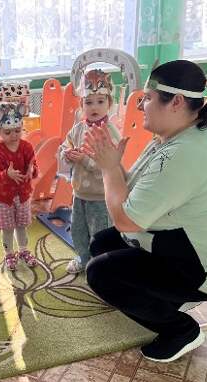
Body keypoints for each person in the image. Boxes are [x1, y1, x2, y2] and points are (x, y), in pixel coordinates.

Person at [83, 60, 207, 363]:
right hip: (180, 245)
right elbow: (131, 194)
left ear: (176, 102)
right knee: (101, 244)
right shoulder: (175, 137)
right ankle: (165, 300)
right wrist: (112, 164)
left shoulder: (185, 153)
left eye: (147, 98)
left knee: (100, 273)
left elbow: (125, 220)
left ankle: (181, 330)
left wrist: (108, 169)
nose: (141, 105)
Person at [57, 69, 121, 274]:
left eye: (100, 101)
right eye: (89, 102)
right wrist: (67, 154)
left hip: (100, 195)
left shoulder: (110, 133)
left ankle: (100, 262)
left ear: (109, 104)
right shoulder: (77, 129)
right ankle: (83, 257)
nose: (94, 107)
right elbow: (64, 147)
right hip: (79, 193)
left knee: (99, 232)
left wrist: (84, 160)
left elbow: (109, 165)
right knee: (78, 229)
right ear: (81, 105)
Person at [0, 102, 38, 271]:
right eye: (8, 132)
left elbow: (33, 166)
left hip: (23, 195)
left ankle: (23, 250)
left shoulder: (27, 146)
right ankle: (9, 253)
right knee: (7, 228)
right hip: (3, 197)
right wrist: (7, 174)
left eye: (17, 130)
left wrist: (32, 170)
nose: (14, 135)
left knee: (22, 225)